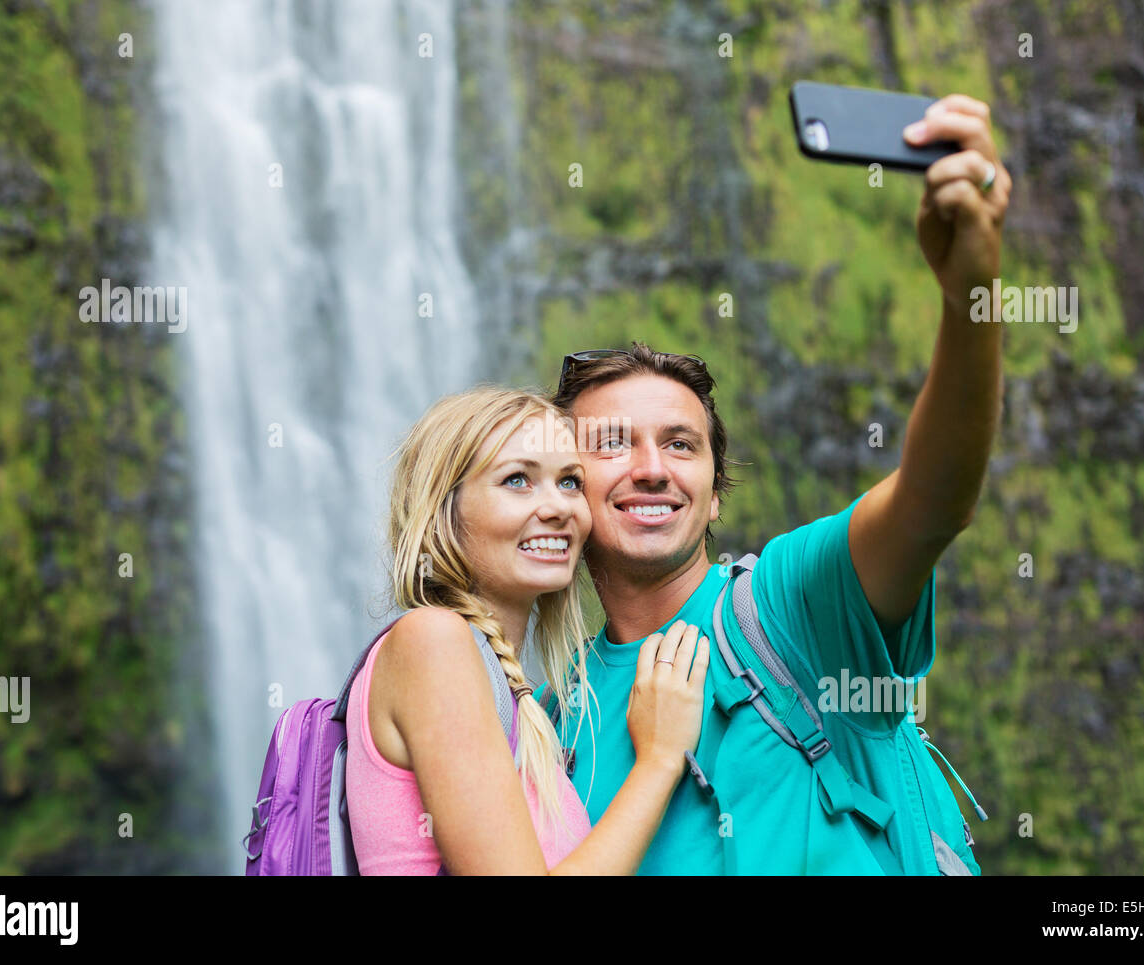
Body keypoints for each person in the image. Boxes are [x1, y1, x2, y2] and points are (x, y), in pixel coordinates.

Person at [539, 93, 1011, 873]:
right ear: (564, 486)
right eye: (614, 444)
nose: (652, 466)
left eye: (681, 445)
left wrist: (973, 289)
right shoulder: (552, 718)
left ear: (715, 493)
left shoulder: (791, 610)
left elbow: (936, 496)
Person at [346, 386, 710, 874]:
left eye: (570, 482)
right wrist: (660, 760)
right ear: (443, 513)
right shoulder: (432, 641)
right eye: (517, 480)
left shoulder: (529, 701)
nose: (558, 508)